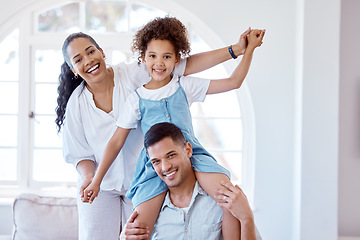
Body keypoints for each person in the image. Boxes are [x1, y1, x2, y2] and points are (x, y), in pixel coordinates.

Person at [56, 24, 252, 239]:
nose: (88, 60)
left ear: (102, 52)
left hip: (143, 175)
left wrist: (236, 50)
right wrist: (92, 178)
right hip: (103, 184)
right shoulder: (78, 103)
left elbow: (186, 65)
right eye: (78, 59)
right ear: (73, 69)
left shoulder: (135, 73)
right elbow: (81, 151)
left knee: (140, 231)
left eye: (91, 51)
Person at [120, 122, 260, 240]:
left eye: (171, 155)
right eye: (156, 161)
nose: (165, 167)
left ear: (188, 150)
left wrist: (247, 219)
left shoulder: (221, 198)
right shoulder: (149, 211)